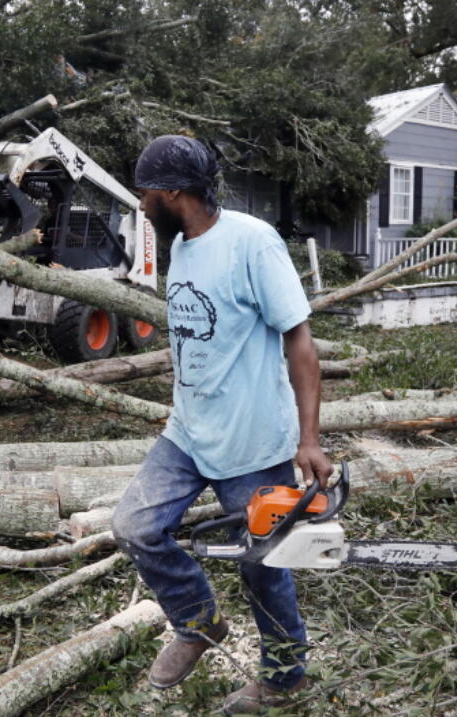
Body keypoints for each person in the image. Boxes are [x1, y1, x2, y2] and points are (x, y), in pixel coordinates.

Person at [111, 136, 333, 715]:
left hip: (253, 440)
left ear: (175, 192)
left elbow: (301, 343)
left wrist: (308, 440)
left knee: (264, 567)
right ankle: (199, 623)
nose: (140, 201)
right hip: (188, 431)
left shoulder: (252, 242)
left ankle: (285, 677)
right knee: (135, 525)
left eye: (147, 191)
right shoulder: (179, 244)